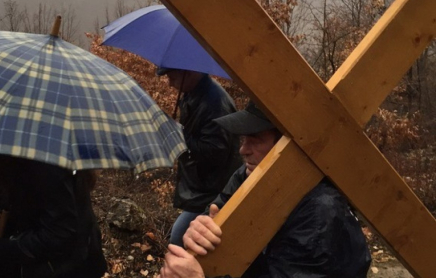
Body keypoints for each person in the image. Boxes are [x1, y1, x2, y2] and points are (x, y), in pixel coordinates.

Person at [159, 101, 372, 278]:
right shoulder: (249, 175)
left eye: (255, 139)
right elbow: (216, 213)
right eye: (243, 139)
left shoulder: (320, 211)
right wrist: (200, 230)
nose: (243, 150)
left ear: (289, 147)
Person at [0, 154, 107, 278]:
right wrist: (0, 220)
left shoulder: (47, 157)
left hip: (69, 268)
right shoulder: (22, 149)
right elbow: (38, 204)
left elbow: (61, 232)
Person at [157, 67, 241, 247]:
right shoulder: (193, 94)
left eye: (172, 77)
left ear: (189, 73)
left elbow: (214, 153)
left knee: (179, 239)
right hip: (202, 188)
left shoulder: (215, 103)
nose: (169, 83)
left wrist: (178, 134)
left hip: (215, 191)